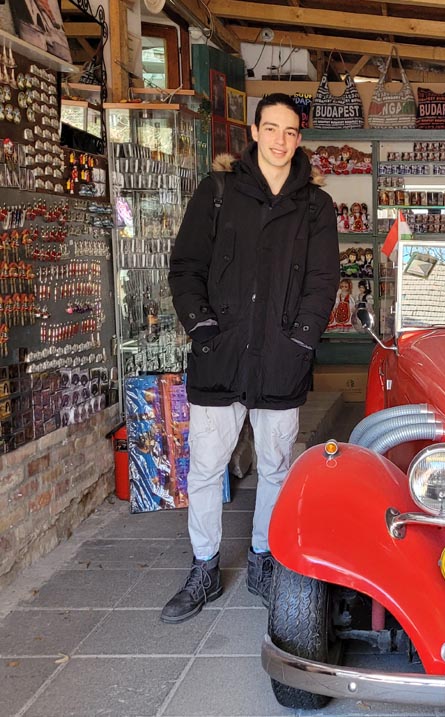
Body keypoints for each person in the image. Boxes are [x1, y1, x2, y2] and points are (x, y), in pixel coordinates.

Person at [163, 93, 339, 624]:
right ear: (255, 132)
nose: (281, 140)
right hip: (220, 355)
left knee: (276, 466)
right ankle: (204, 566)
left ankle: (263, 557)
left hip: (280, 358)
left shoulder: (316, 206)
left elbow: (323, 281)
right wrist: (203, 328)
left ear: (299, 138)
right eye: (272, 128)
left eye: (291, 131)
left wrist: (301, 341)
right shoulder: (218, 191)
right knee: (206, 467)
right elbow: (186, 266)